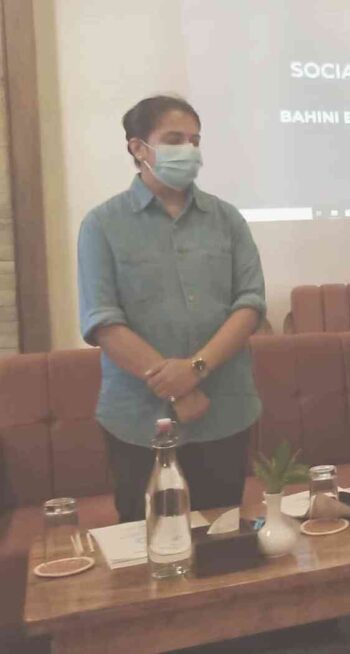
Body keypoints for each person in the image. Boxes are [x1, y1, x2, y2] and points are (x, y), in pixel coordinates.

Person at [78, 95, 266, 522]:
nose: (189, 150)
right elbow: (103, 321)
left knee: (221, 536)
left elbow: (250, 303)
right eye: (175, 139)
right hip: (138, 422)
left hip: (224, 412)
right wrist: (177, 387)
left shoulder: (227, 219)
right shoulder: (102, 224)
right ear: (138, 147)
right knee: (148, 544)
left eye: (195, 140)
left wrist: (196, 369)